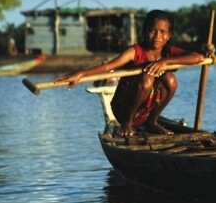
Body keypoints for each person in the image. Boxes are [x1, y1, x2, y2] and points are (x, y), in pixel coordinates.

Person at [54, 9, 205, 137]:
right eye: (153, 30)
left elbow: (199, 57)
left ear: (169, 35)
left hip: (146, 112)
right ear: (145, 32)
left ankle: (152, 121)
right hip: (124, 110)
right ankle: (127, 123)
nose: (158, 35)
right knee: (147, 80)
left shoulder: (169, 52)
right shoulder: (135, 51)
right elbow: (109, 67)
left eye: (163, 32)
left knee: (170, 78)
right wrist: (80, 74)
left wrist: (165, 62)